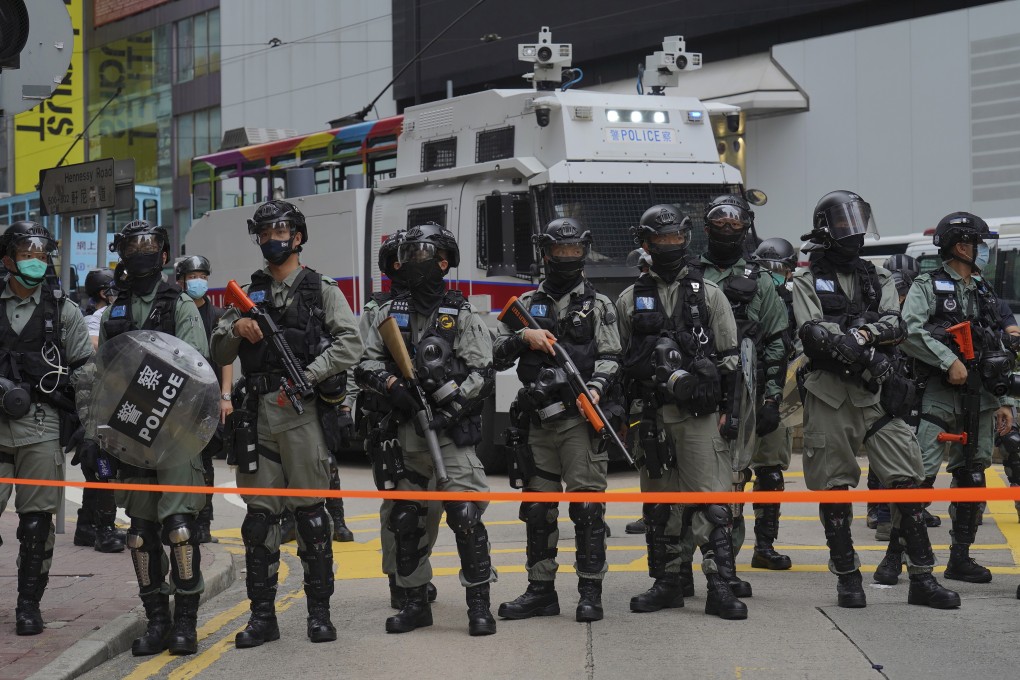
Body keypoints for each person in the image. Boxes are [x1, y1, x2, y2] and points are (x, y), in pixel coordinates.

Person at [792, 190, 959, 609]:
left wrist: (860, 338)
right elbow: (813, 333)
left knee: (908, 480)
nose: (855, 232)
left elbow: (895, 324)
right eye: (846, 224)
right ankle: (848, 579)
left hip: (876, 395)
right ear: (826, 229)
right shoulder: (805, 279)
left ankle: (922, 578)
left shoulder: (877, 275)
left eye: (858, 222)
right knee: (835, 490)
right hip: (828, 396)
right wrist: (861, 341)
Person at [210, 200, 363, 648]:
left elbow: (350, 343)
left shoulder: (321, 289)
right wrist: (236, 329)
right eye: (265, 232)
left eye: (282, 231)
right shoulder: (247, 294)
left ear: (298, 237)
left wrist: (310, 376)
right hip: (257, 415)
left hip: (301, 414)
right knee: (259, 521)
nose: (273, 239)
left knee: (313, 517)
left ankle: (319, 615)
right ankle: (263, 618)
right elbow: (219, 352)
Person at [354, 223, 497, 636]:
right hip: (405, 432)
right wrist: (392, 385)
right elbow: (365, 362)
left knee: (465, 515)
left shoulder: (461, 314)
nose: (415, 264)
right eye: (409, 256)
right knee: (406, 517)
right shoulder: (387, 314)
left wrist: (451, 410)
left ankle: (479, 606)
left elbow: (482, 374)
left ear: (444, 262)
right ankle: (415, 602)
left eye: (425, 256)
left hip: (450, 435)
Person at [83, 220, 212, 654]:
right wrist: (93, 431)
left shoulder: (182, 307)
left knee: (178, 530)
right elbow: (100, 373)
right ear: (122, 255)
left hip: (174, 435)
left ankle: (185, 624)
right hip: (130, 434)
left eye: (149, 245)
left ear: (163, 254)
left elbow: (196, 369)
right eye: (132, 246)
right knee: (140, 534)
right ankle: (156, 621)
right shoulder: (113, 310)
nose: (141, 253)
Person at [616, 204, 747, 620]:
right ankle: (668, 583)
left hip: (699, 417)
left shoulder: (710, 294)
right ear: (646, 243)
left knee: (711, 502)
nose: (669, 246)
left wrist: (725, 407)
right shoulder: (628, 300)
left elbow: (732, 360)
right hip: (651, 416)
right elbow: (616, 360)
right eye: (661, 240)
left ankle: (720, 588)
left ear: (686, 239)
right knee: (659, 504)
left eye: (675, 238)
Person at [493, 218, 621, 623]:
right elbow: (492, 351)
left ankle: (589, 591)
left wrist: (596, 388)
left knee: (586, 508)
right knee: (537, 508)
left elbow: (612, 357)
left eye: (574, 251)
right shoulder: (527, 304)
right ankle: (540, 590)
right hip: (536, 422)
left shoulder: (599, 305)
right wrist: (522, 338)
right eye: (560, 251)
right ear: (545, 253)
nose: (567, 258)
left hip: (579, 421)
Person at [894, 212, 1014, 587]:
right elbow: (909, 330)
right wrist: (949, 360)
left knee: (973, 473)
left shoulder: (983, 289)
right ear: (963, 246)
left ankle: (959, 558)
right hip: (940, 394)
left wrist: (1005, 398)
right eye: (979, 244)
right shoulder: (927, 285)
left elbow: (998, 344)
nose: (983, 252)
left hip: (981, 396)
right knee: (920, 475)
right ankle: (894, 556)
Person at [684, 196, 792, 578]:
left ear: (747, 227)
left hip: (745, 394)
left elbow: (778, 342)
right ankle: (679, 568)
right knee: (690, 481)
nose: (728, 228)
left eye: (736, 223)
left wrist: (772, 398)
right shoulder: (688, 274)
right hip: (694, 393)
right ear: (706, 226)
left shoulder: (760, 280)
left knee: (735, 481)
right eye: (720, 221)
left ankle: (724, 565)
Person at [0, 222, 92, 635]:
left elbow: (85, 371)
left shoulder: (64, 311)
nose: (35, 261)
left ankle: (28, 606)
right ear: (7, 260)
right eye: (25, 253)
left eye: (41, 254)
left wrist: (90, 430)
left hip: (42, 427)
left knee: (37, 525)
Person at [354, 231, 442, 608]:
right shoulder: (378, 310)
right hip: (388, 420)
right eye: (398, 262)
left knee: (435, 505)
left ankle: (416, 567)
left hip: (431, 421)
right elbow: (360, 362)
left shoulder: (440, 307)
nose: (406, 267)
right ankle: (398, 576)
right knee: (399, 507)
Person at [175, 255, 231, 545]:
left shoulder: (218, 315)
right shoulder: (173, 311)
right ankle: (180, 518)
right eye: (192, 276)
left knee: (205, 462)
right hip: (177, 398)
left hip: (208, 398)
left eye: (203, 276)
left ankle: (204, 523)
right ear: (180, 281)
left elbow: (226, 358)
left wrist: (225, 396)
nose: (199, 281)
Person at [72, 267, 126, 553]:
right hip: (98, 404)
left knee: (99, 468)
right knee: (102, 466)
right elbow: (97, 350)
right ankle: (102, 527)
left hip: (106, 402)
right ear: (104, 292)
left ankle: (86, 525)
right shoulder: (96, 319)